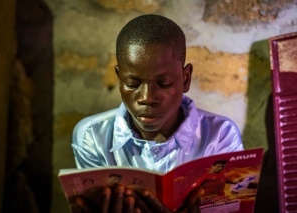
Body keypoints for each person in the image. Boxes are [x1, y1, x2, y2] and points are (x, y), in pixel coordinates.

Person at [72, 14, 244, 212]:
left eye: (165, 84)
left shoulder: (220, 135)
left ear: (186, 79)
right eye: (132, 84)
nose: (147, 98)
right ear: (119, 79)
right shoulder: (93, 136)